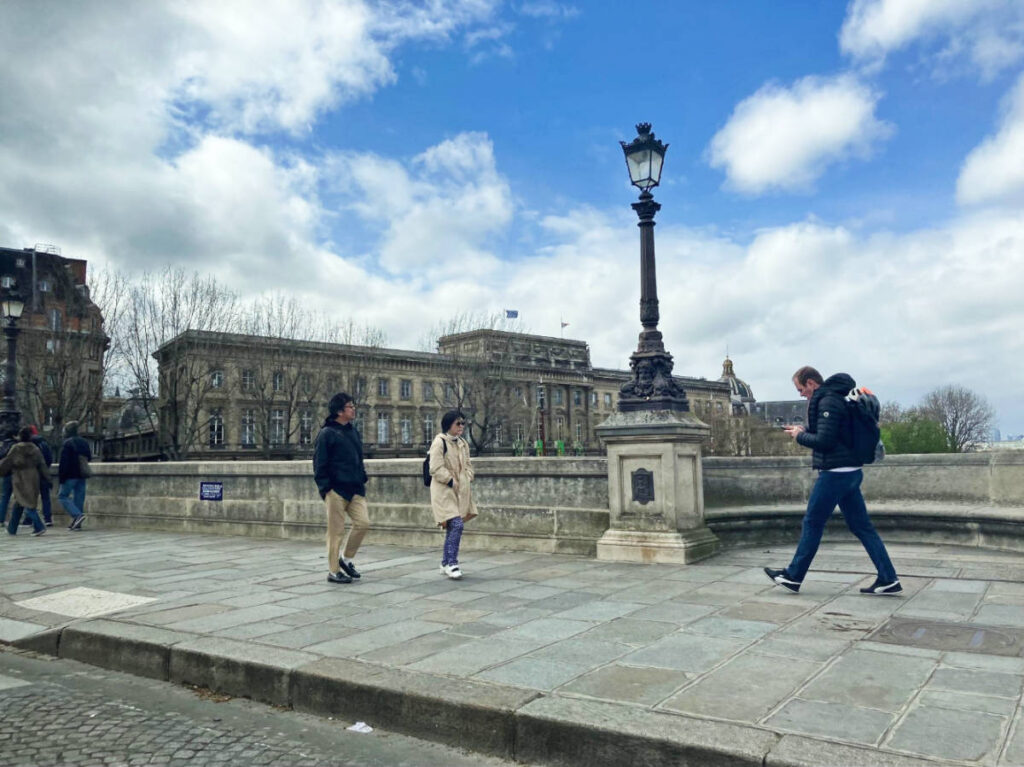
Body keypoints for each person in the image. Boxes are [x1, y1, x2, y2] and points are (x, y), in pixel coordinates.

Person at [765, 366, 901, 595]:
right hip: (851, 472)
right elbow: (834, 434)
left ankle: (793, 576)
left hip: (836, 473)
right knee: (862, 527)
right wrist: (804, 429)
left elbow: (825, 441)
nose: (800, 394)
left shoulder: (827, 401)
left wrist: (800, 437)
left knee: (813, 522)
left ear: (811, 383)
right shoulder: (838, 398)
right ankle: (888, 578)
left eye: (800, 389)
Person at [313, 393, 370, 585]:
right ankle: (333, 570)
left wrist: (362, 476)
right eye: (350, 406)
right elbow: (319, 464)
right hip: (336, 490)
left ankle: (346, 560)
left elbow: (358, 458)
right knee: (336, 532)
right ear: (339, 411)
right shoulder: (327, 433)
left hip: (355, 489)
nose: (353, 409)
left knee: (363, 523)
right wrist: (326, 489)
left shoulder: (353, 431)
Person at [428, 410, 478, 579]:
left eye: (463, 423)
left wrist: (468, 476)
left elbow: (468, 464)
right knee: (456, 524)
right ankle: (452, 563)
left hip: (460, 491)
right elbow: (434, 467)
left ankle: (444, 562)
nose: (461, 427)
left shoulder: (463, 443)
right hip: (444, 491)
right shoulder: (439, 442)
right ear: (448, 425)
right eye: (458, 423)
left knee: (453, 526)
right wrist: (451, 481)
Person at [1, 426, 51, 536]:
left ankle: (39, 526)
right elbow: (42, 464)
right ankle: (12, 528)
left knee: (26, 503)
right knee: (20, 503)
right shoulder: (35, 448)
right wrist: (48, 478)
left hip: (20, 477)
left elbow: (7, 462)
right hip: (33, 477)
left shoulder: (16, 448)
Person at [58, 420, 91, 531]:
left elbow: (64, 462)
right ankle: (77, 523)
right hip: (82, 473)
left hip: (70, 474)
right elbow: (89, 457)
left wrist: (62, 477)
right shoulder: (84, 442)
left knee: (62, 496)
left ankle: (77, 516)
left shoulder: (67, 443)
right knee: (79, 498)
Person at [29, 425, 54, 526]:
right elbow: (49, 458)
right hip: (43, 473)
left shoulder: (29, 444)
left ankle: (29, 519)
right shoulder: (44, 443)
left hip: (32, 474)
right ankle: (48, 519)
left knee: (31, 498)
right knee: (45, 497)